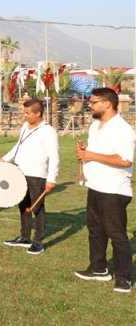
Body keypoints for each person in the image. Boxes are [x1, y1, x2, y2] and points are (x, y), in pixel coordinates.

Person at [74, 87, 134, 293]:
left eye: (93, 102)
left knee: (116, 234)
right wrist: (84, 154)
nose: (89, 105)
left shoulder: (122, 129)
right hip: (95, 185)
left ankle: (124, 278)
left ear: (107, 103)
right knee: (95, 230)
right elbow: (94, 153)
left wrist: (90, 156)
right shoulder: (95, 125)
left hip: (114, 189)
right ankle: (98, 268)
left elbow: (125, 160)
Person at [0, 99, 59, 255]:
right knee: (23, 205)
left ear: (38, 113)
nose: (24, 116)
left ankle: (38, 242)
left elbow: (55, 157)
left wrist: (52, 178)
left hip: (37, 175)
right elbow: (18, 145)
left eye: (27, 113)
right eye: (24, 112)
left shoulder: (48, 131)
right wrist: (5, 158)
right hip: (20, 172)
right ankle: (24, 237)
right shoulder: (25, 127)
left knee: (37, 208)